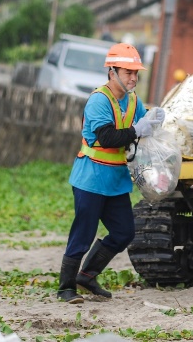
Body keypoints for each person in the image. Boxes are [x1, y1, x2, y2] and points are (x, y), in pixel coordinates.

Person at [57, 42, 164, 304]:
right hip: (91, 179)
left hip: (115, 181)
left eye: (136, 73)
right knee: (83, 233)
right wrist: (139, 129)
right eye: (128, 72)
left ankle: (87, 275)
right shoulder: (98, 100)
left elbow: (143, 123)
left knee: (124, 232)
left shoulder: (134, 101)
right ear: (112, 71)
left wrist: (154, 119)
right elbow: (107, 137)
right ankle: (66, 288)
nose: (133, 78)